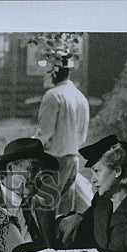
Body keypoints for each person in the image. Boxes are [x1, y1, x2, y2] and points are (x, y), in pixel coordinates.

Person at [32, 49, 89, 216]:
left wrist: (28, 147)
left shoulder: (53, 95)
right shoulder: (80, 97)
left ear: (53, 72)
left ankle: (45, 242)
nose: (44, 75)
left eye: (46, 70)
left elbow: (44, 133)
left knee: (44, 210)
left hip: (54, 162)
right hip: (72, 160)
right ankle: (58, 242)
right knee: (63, 211)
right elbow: (82, 136)